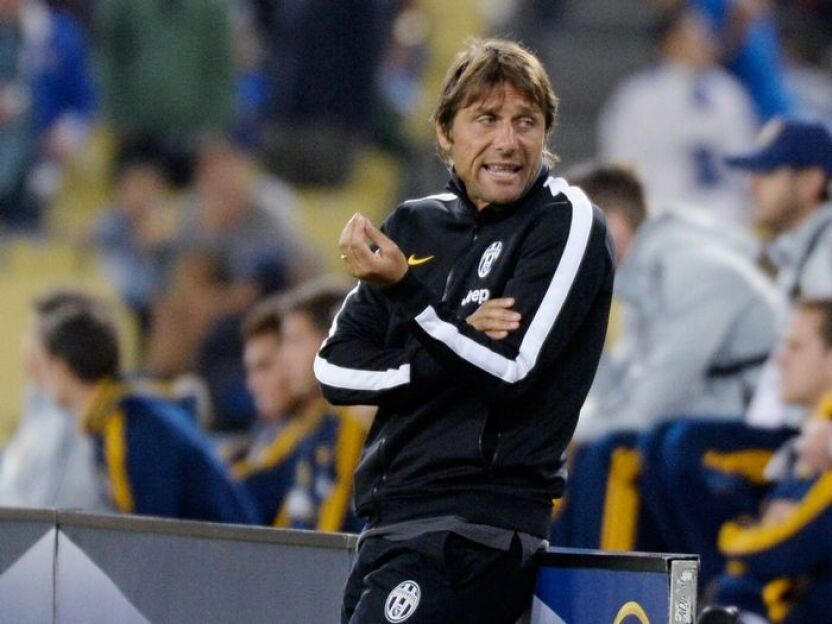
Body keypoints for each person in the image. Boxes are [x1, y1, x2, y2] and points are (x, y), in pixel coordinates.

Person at [315, 38, 614, 624]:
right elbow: (335, 367)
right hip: (385, 521)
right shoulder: (413, 224)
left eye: (525, 121)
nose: (508, 141)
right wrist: (454, 336)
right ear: (445, 133)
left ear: (546, 134)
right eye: (487, 119)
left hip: (477, 531)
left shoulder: (566, 221)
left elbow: (510, 369)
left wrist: (411, 296)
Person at [552, 164, 782, 552]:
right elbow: (619, 394)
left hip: (763, 426)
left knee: (608, 452)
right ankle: (562, 585)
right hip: (704, 420)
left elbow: (650, 407)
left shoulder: (693, 269)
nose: (564, 249)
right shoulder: (643, 275)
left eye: (570, 233)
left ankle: (602, 586)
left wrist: (563, 436)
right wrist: (584, 319)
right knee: (584, 452)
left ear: (614, 225)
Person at [36, 295, 257, 523]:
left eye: (44, 364)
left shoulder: (131, 426)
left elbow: (153, 530)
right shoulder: (126, 411)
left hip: (223, 544)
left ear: (61, 368)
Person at [709, 300, 832, 624]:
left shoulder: (825, 452)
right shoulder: (810, 445)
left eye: (795, 347)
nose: (780, 359)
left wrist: (734, 536)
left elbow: (785, 548)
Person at [598, 4, 757, 224]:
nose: (704, 41)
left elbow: (746, 160)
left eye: (706, 33)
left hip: (726, 214)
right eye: (694, 33)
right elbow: (619, 166)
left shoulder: (728, 92)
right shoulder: (637, 98)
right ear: (669, 41)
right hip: (661, 210)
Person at [232, 282, 366, 530]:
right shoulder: (317, 427)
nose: (284, 357)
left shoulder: (353, 421)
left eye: (294, 341)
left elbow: (328, 534)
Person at [0, 289, 105, 510]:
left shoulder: (70, 412)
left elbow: (55, 505)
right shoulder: (39, 405)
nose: (24, 343)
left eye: (33, 334)